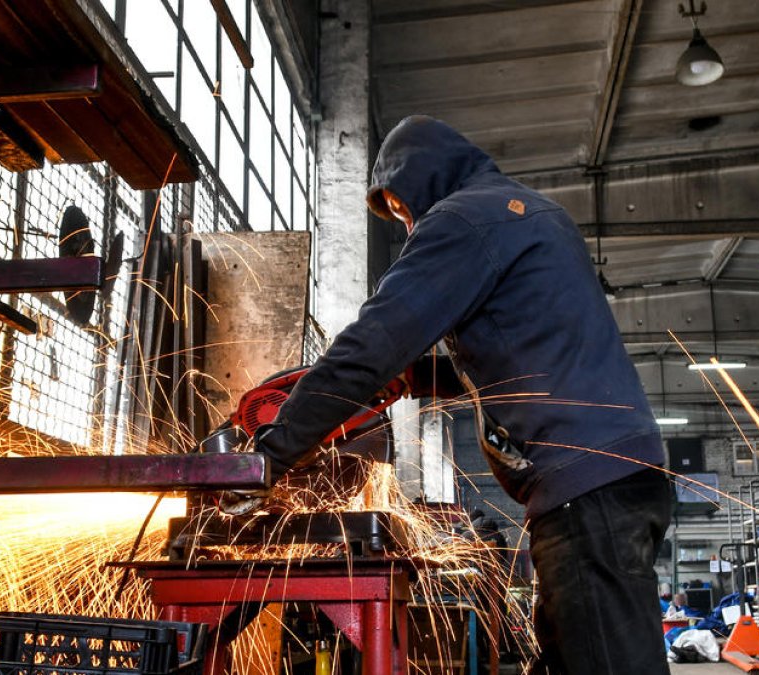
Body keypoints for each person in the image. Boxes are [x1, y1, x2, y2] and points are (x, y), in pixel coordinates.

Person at [252, 115, 670, 675]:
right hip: (614, 475)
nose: (407, 226)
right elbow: (520, 351)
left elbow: (372, 343)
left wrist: (268, 456)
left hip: (587, 488)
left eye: (402, 209)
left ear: (422, 179)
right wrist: (414, 378)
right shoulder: (527, 212)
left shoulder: (462, 220)